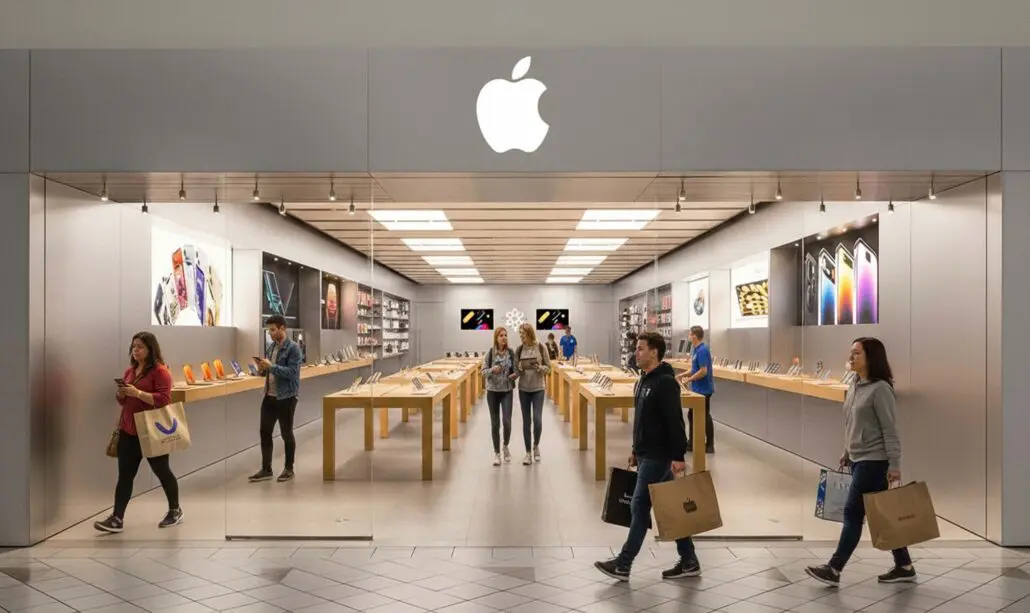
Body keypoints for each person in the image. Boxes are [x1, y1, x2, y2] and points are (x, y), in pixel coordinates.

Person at [806, 337, 915, 587]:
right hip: (857, 458)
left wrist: (895, 465)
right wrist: (847, 450)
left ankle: (834, 568)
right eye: (851, 352)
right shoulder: (855, 384)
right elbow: (852, 424)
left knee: (852, 513)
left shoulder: (881, 390)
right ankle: (904, 565)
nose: (851, 357)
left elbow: (890, 430)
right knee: (882, 515)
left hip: (874, 461)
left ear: (871, 358)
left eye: (857, 353)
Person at [595, 332, 701, 581]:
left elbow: (675, 423)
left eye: (641, 349)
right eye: (636, 349)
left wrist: (678, 456)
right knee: (670, 507)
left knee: (639, 505)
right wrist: (635, 449)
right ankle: (689, 560)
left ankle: (624, 563)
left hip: (659, 455)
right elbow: (641, 420)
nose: (636, 353)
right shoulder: (643, 381)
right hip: (645, 453)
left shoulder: (665, 383)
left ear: (654, 352)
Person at [94, 332, 182, 533]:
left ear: (151, 349)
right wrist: (122, 394)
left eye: (140, 347)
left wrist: (138, 393)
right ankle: (117, 518)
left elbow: (163, 400)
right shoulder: (130, 372)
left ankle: (175, 510)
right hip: (128, 429)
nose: (136, 350)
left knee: (162, 471)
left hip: (151, 429)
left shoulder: (160, 371)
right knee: (125, 476)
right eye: (134, 346)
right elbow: (124, 402)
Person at [249, 315, 303, 483]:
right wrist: (261, 369)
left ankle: (289, 468)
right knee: (265, 432)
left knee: (286, 433)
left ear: (282, 328)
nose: (270, 333)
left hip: (286, 397)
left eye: (273, 330)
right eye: (268, 330)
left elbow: (292, 373)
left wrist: (272, 366)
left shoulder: (293, 348)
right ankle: (266, 468)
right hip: (269, 396)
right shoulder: (271, 347)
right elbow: (269, 372)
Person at [515, 323, 551, 465]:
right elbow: (516, 371)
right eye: (520, 334)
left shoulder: (541, 347)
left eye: (522, 333)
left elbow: (549, 368)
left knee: (537, 419)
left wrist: (540, 368)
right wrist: (518, 369)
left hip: (538, 389)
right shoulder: (519, 350)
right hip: (523, 389)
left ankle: (536, 445)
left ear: (529, 333)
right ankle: (528, 453)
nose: (521, 336)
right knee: (526, 421)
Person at [483, 327, 518, 466]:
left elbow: (517, 370)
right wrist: (492, 370)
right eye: (501, 335)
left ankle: (505, 446)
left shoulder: (511, 353)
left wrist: (515, 375)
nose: (504, 338)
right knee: (495, 423)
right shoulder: (490, 353)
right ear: (496, 338)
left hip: (507, 391)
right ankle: (497, 453)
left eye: (505, 335)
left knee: (507, 421)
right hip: (492, 392)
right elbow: (483, 371)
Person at [679, 326, 715, 454]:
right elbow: (694, 369)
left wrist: (689, 380)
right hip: (696, 388)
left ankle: (710, 445)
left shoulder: (703, 350)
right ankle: (692, 442)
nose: (689, 337)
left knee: (704, 415)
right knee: (691, 414)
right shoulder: (695, 350)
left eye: (690, 334)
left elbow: (703, 371)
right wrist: (682, 375)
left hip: (704, 389)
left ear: (694, 336)